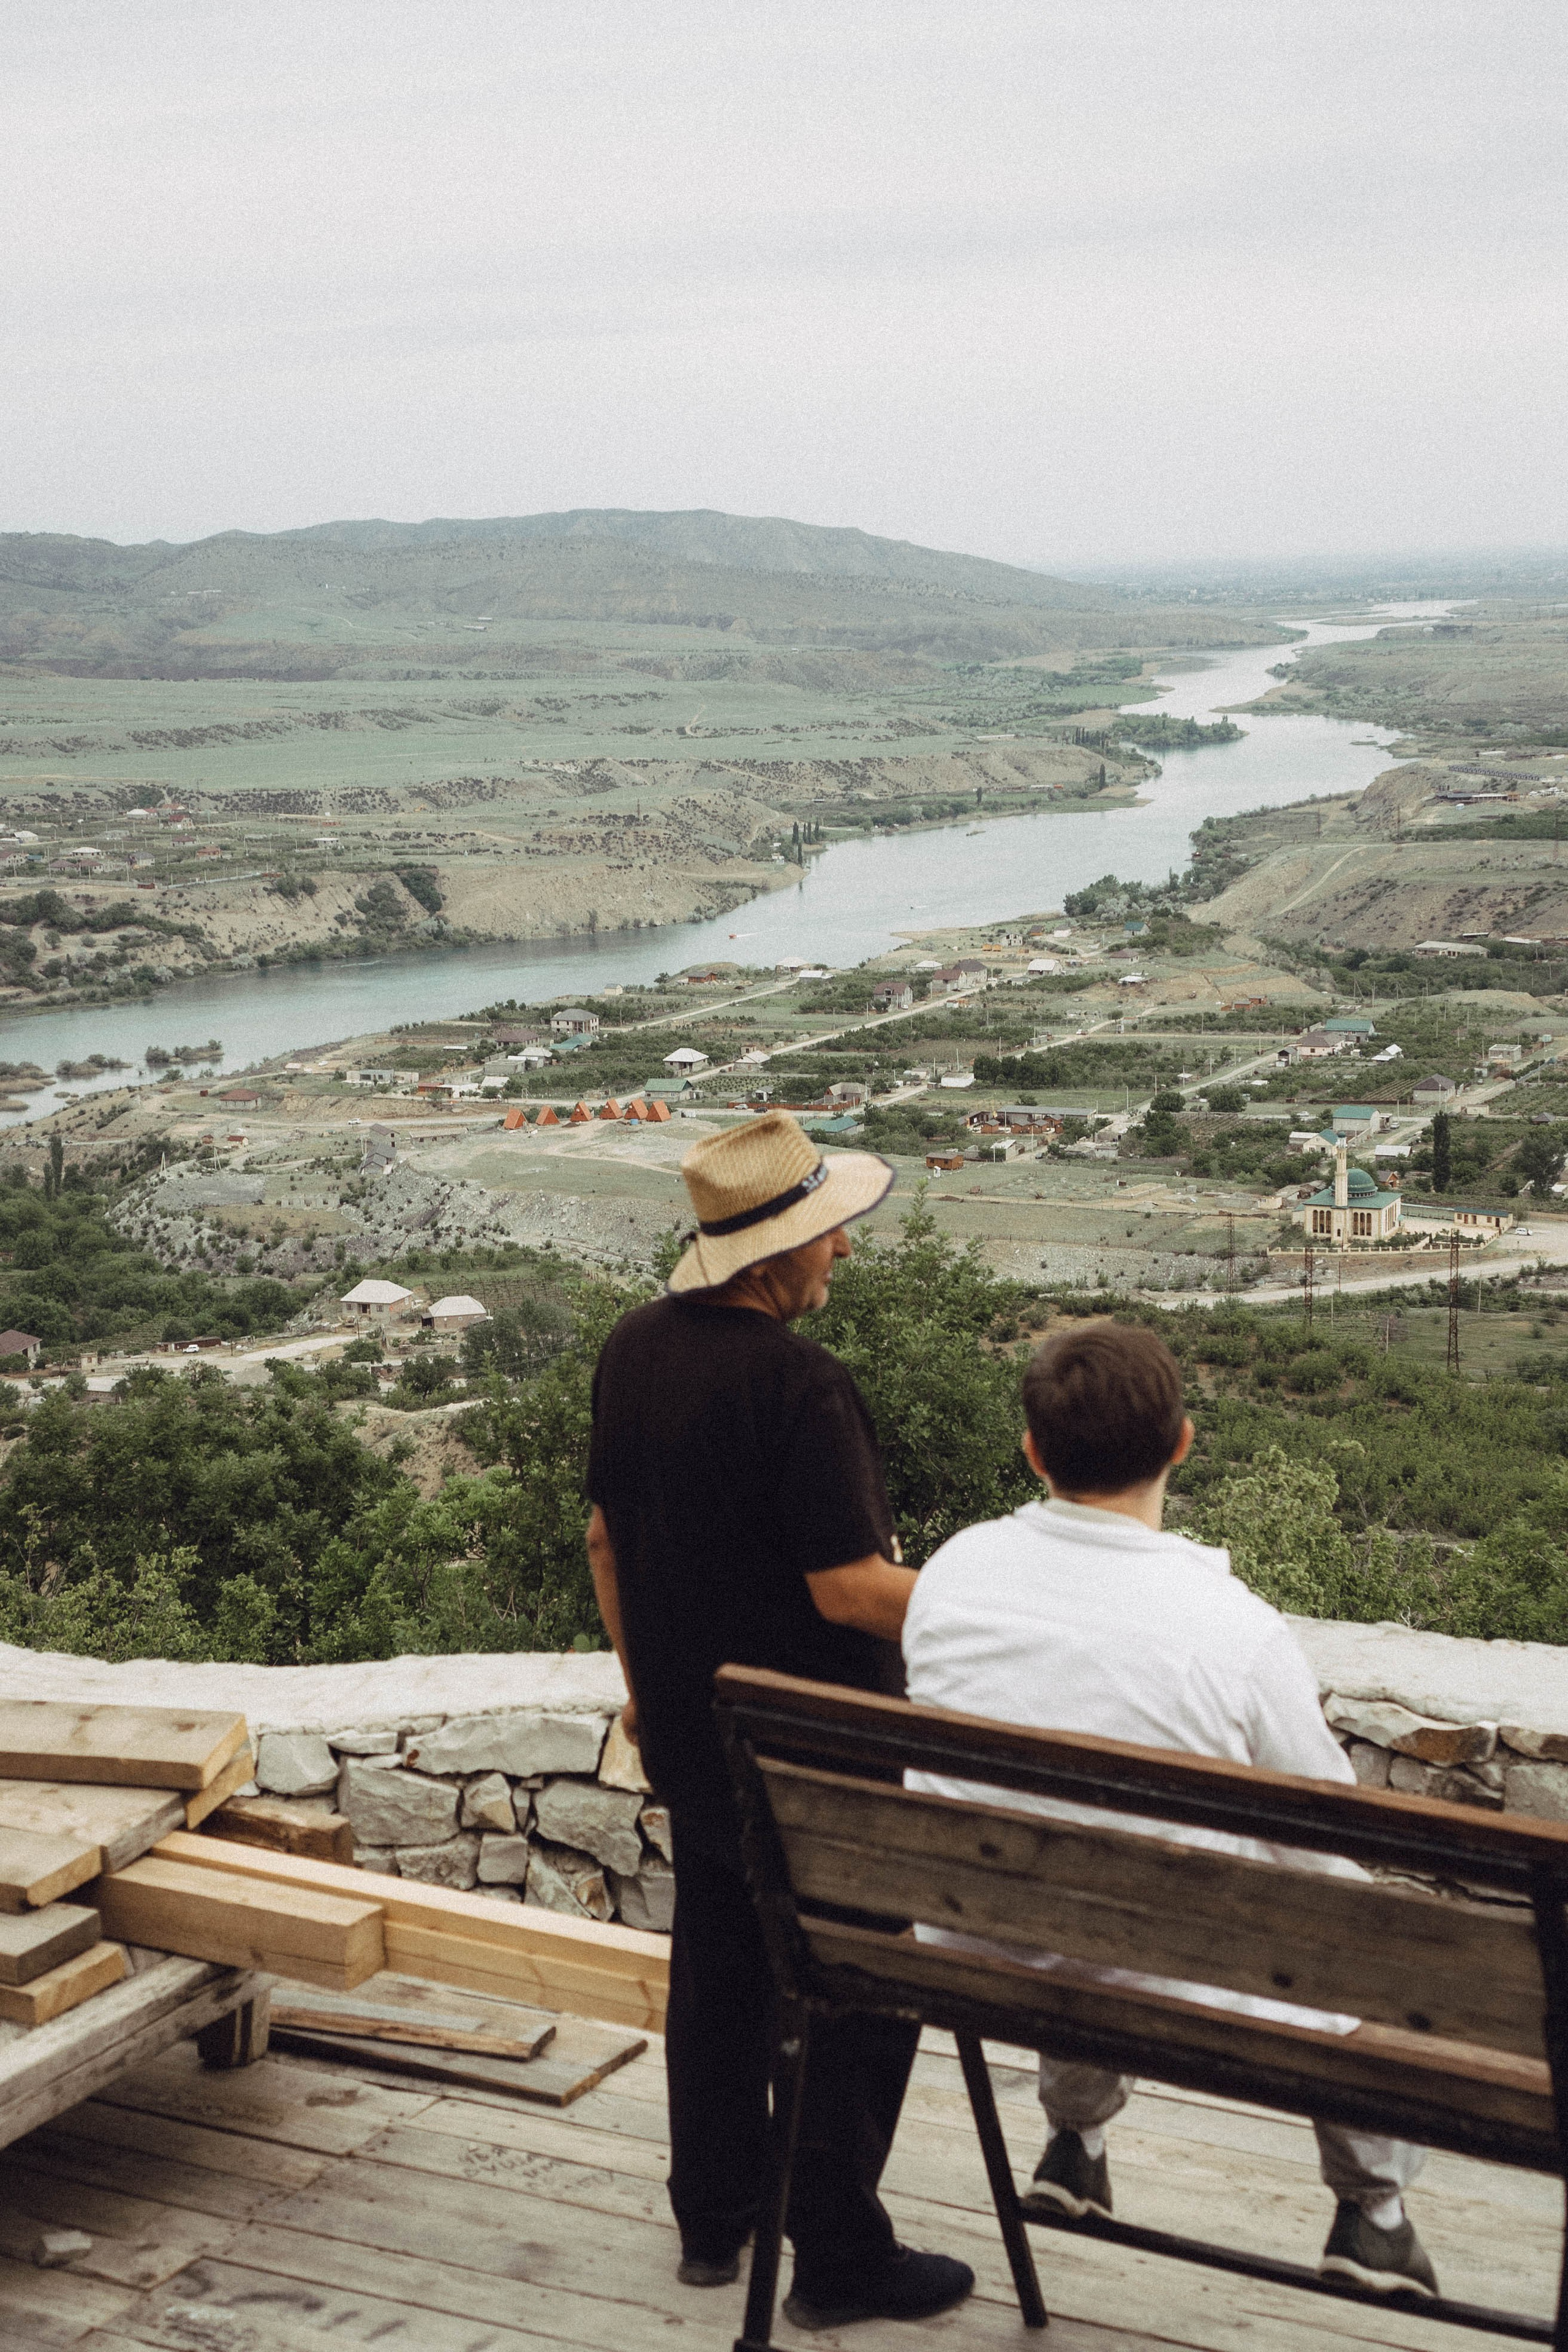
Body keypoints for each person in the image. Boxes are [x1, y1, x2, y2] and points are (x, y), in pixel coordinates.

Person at [901, 1319, 1438, 2303]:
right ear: (1183, 1443)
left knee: (1077, 1891)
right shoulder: (1232, 1629)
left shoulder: (953, 1575)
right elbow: (1327, 1830)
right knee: (1346, 1934)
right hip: (1167, 1969)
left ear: (1033, 1451)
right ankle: (1376, 2213)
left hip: (971, 1943)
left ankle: (1075, 2143)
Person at [584, 1108, 973, 2331]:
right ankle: (839, 2257)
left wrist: (645, 1691)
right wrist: (989, 1602)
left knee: (719, 1966)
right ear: (770, 1255)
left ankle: (714, 2218)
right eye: (827, 1233)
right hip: (818, 1756)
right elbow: (849, 1590)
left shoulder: (632, 1348)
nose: (843, 1249)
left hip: (696, 1736)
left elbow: (604, 1540)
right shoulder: (803, 1385)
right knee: (862, 1977)